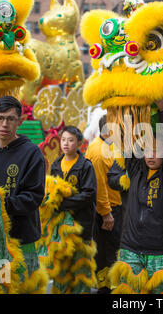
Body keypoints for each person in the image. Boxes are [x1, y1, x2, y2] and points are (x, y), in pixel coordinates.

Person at [109, 98, 163, 294]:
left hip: (160, 251)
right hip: (130, 248)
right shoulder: (136, 171)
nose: (151, 156)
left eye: (157, 151)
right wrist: (130, 107)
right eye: (147, 151)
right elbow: (127, 141)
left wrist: (162, 109)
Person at [0, 96, 48, 290]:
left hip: (20, 238)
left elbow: (33, 197)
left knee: (22, 287)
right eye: (0, 118)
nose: (4, 124)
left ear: (20, 121)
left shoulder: (32, 153)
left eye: (11, 119)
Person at [45, 125, 97, 293]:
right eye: (63, 140)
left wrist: (64, 204)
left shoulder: (85, 166)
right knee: (62, 269)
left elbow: (89, 195)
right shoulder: (55, 165)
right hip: (61, 229)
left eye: (71, 140)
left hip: (81, 225)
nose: (66, 144)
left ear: (80, 143)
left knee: (80, 269)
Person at [85, 115, 123, 294]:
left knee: (111, 250)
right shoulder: (99, 152)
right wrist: (106, 214)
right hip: (107, 211)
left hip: (115, 207)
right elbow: (99, 187)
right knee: (107, 253)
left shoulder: (108, 146)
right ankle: (106, 288)